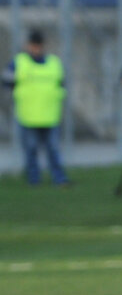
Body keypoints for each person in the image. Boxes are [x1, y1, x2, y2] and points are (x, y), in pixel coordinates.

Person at [3, 29, 70, 188]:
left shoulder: (54, 62)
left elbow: (61, 84)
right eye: (33, 45)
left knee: (53, 149)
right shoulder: (19, 62)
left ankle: (59, 178)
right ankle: (34, 179)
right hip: (29, 115)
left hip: (50, 114)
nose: (36, 49)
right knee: (31, 149)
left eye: (38, 45)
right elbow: (6, 81)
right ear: (28, 45)